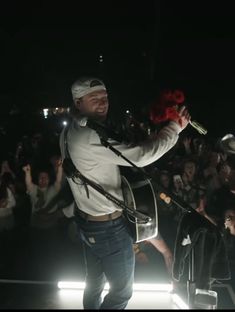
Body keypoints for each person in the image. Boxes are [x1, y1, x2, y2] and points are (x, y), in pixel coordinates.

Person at [59, 76, 191, 310]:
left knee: (94, 284)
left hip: (87, 222)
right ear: (78, 103)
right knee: (121, 293)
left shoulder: (70, 132)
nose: (102, 102)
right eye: (94, 98)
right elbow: (139, 156)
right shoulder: (89, 136)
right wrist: (174, 128)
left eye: (105, 97)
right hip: (107, 228)